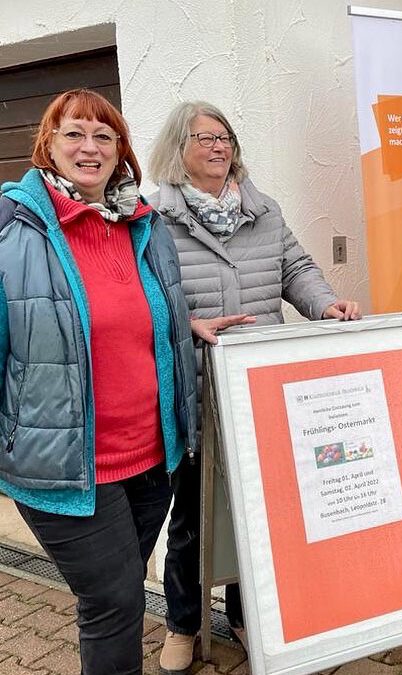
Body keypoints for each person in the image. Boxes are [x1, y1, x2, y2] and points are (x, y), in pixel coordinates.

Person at [147, 100, 361, 675]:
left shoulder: (264, 211)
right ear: (178, 148)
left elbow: (296, 269)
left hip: (260, 391)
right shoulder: (154, 218)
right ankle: (183, 624)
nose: (219, 147)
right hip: (195, 393)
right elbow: (144, 299)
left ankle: (246, 615)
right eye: (205, 137)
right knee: (192, 519)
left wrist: (325, 305)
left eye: (227, 138)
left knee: (258, 516)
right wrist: (182, 327)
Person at [0, 89, 197, 674]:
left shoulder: (144, 224)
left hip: (152, 456)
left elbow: (146, 315)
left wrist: (190, 325)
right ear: (49, 145)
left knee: (124, 587)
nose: (90, 148)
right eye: (74, 134)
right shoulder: (13, 228)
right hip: (65, 464)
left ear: (120, 151)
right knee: (112, 600)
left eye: (104, 136)